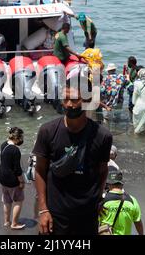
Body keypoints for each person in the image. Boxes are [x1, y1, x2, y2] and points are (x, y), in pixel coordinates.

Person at [33, 75, 113, 235]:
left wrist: (98, 199)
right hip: (55, 213)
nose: (69, 104)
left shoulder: (102, 136)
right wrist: (43, 210)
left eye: (75, 99)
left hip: (87, 214)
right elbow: (40, 170)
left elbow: (102, 170)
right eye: (65, 99)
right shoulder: (48, 131)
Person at [99, 167, 144, 235]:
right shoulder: (132, 200)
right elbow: (138, 223)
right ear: (122, 184)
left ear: (108, 184)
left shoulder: (101, 200)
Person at [0, 127, 26, 230]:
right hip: (11, 179)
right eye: (21, 137)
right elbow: (17, 169)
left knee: (7, 200)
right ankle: (14, 224)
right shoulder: (15, 150)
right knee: (18, 200)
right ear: (17, 138)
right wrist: (22, 181)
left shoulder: (3, 144)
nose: (22, 139)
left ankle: (6, 221)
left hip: (2, 176)